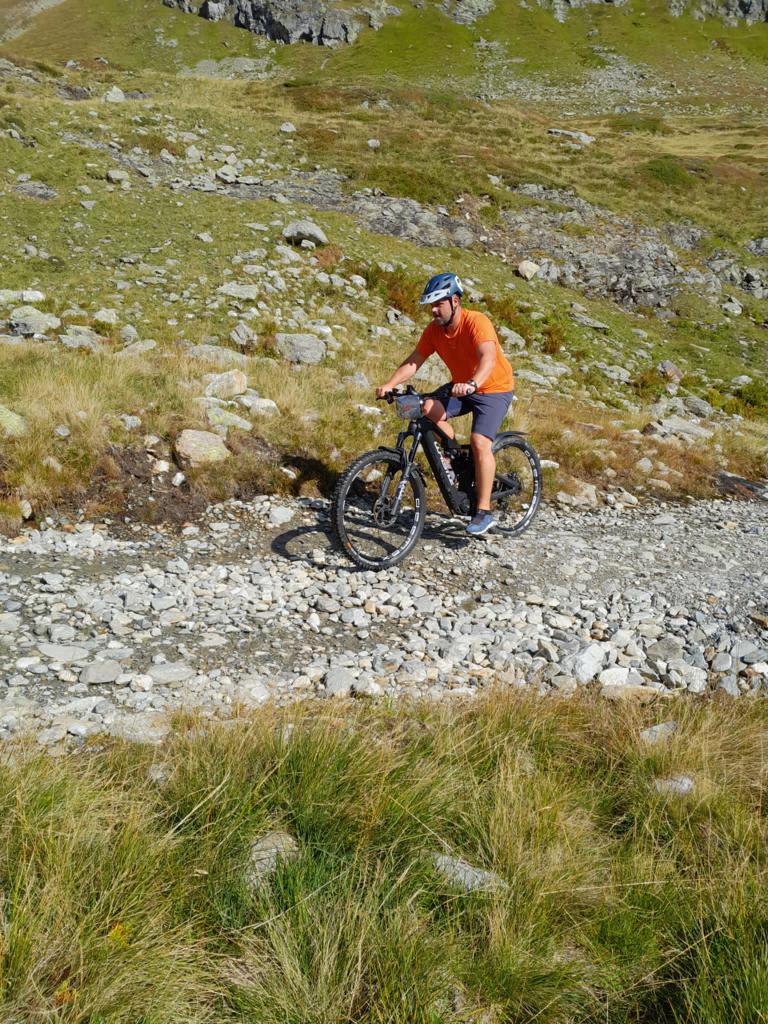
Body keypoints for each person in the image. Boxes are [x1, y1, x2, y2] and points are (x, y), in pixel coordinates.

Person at [375, 272, 515, 536]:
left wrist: (473, 383)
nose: (434, 310)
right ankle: (458, 460)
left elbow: (488, 358)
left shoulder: (477, 322)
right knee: (426, 408)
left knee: (480, 442)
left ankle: (483, 511)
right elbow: (414, 360)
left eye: (439, 304)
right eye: (431, 305)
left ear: (455, 301)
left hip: (493, 389)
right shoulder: (434, 330)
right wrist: (390, 384)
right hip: (462, 386)